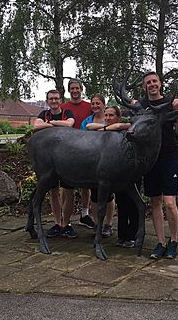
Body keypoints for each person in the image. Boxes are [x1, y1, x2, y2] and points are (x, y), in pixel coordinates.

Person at [138, 71, 178, 260]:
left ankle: (174, 240)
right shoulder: (141, 106)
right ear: (144, 87)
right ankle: (161, 242)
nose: (152, 84)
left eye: (154, 81)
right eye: (148, 82)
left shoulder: (170, 103)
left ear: (160, 83)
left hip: (169, 157)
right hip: (150, 159)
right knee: (155, 202)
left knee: (170, 203)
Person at [33, 89, 78, 239]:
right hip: (49, 160)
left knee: (68, 191)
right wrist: (58, 125)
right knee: (53, 192)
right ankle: (58, 223)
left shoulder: (68, 113)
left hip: (67, 158)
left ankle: (66, 223)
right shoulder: (42, 114)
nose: (54, 101)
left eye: (56, 99)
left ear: (60, 100)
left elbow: (70, 124)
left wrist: (50, 123)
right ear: (47, 101)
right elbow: (36, 126)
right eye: (51, 99)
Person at [87, 106, 134, 244]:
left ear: (117, 116)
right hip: (98, 169)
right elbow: (89, 126)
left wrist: (109, 128)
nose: (107, 118)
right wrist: (107, 127)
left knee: (114, 199)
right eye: (106, 115)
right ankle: (98, 225)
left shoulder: (123, 130)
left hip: (117, 172)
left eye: (111, 115)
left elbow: (126, 125)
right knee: (96, 196)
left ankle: (111, 226)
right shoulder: (101, 127)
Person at [61, 79, 95, 229]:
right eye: (72, 88)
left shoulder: (89, 107)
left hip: (87, 149)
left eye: (77, 88)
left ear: (81, 90)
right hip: (68, 150)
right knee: (67, 187)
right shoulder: (64, 107)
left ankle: (85, 214)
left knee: (86, 185)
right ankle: (65, 218)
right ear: (69, 91)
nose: (75, 91)